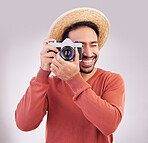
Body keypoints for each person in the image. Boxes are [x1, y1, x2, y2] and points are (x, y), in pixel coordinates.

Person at [15, 7, 125, 143]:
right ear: (63, 48)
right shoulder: (50, 84)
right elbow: (24, 124)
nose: (88, 53)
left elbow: (109, 125)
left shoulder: (111, 80)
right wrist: (43, 72)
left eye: (93, 45)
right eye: (80, 46)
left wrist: (73, 80)